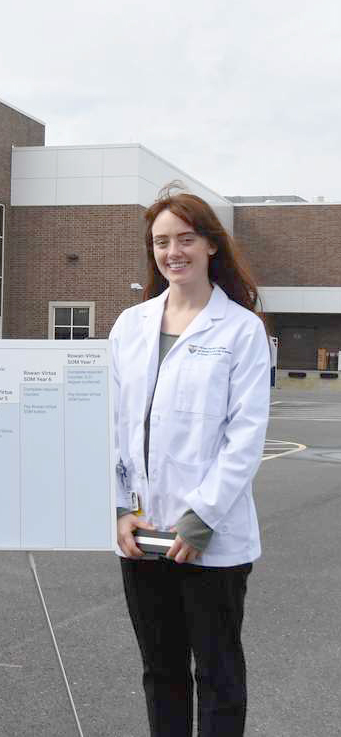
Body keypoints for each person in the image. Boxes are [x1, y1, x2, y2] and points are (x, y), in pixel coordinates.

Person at [111, 187, 270, 737]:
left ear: (210, 246)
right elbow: (111, 428)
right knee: (162, 672)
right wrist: (117, 509)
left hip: (211, 537)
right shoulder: (129, 326)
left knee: (219, 675)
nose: (172, 251)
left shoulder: (241, 330)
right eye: (161, 242)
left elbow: (245, 437)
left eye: (185, 239)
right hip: (143, 532)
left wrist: (200, 518)